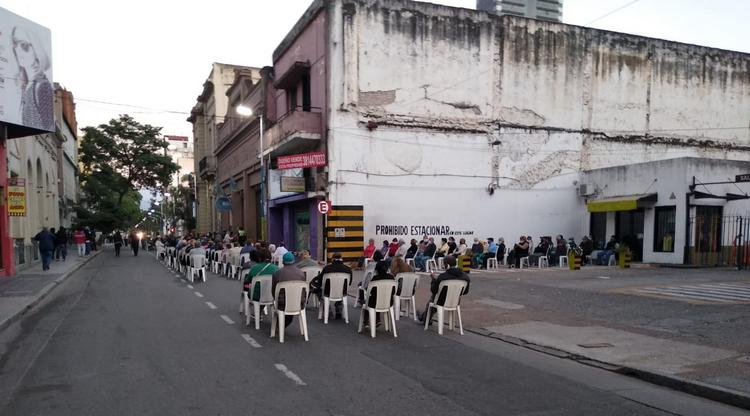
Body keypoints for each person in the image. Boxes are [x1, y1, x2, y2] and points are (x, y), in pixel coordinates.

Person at [12, 26, 53, 132]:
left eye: (24, 45)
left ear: (36, 49)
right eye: (15, 43)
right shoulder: (24, 85)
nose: (18, 49)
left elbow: (47, 127)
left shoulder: (42, 86)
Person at [419, 256, 470, 324]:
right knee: (437, 297)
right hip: (455, 301)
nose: (443, 266)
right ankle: (424, 316)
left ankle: (425, 318)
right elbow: (465, 292)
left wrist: (433, 280)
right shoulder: (465, 277)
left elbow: (434, 290)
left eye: (444, 264)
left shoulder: (443, 277)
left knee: (434, 297)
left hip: (441, 301)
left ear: (447, 265)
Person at [311, 252, 353, 319]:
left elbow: (320, 281)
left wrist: (313, 281)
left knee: (318, 290)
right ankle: (338, 309)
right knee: (341, 288)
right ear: (342, 259)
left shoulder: (327, 268)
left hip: (327, 292)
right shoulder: (348, 269)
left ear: (332, 259)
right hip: (342, 293)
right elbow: (349, 282)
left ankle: (328, 311)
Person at [271, 252, 307, 327]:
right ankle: (281, 325)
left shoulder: (277, 273)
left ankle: (279, 326)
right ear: (294, 261)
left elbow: (274, 291)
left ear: (283, 262)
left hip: (282, 303)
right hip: (298, 302)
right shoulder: (301, 273)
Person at [242, 248, 279, 317]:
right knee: (266, 290)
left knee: (258, 290)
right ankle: (259, 312)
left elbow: (247, 281)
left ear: (259, 258)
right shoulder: (276, 268)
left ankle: (257, 313)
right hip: (272, 295)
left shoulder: (254, 268)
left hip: (256, 296)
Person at [360, 260, 395, 327]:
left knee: (370, 301)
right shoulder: (391, 277)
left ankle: (366, 322)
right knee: (379, 298)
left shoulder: (375, 278)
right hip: (388, 303)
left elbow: (369, 291)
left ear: (376, 269)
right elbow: (393, 291)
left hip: (375, 303)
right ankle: (377, 320)